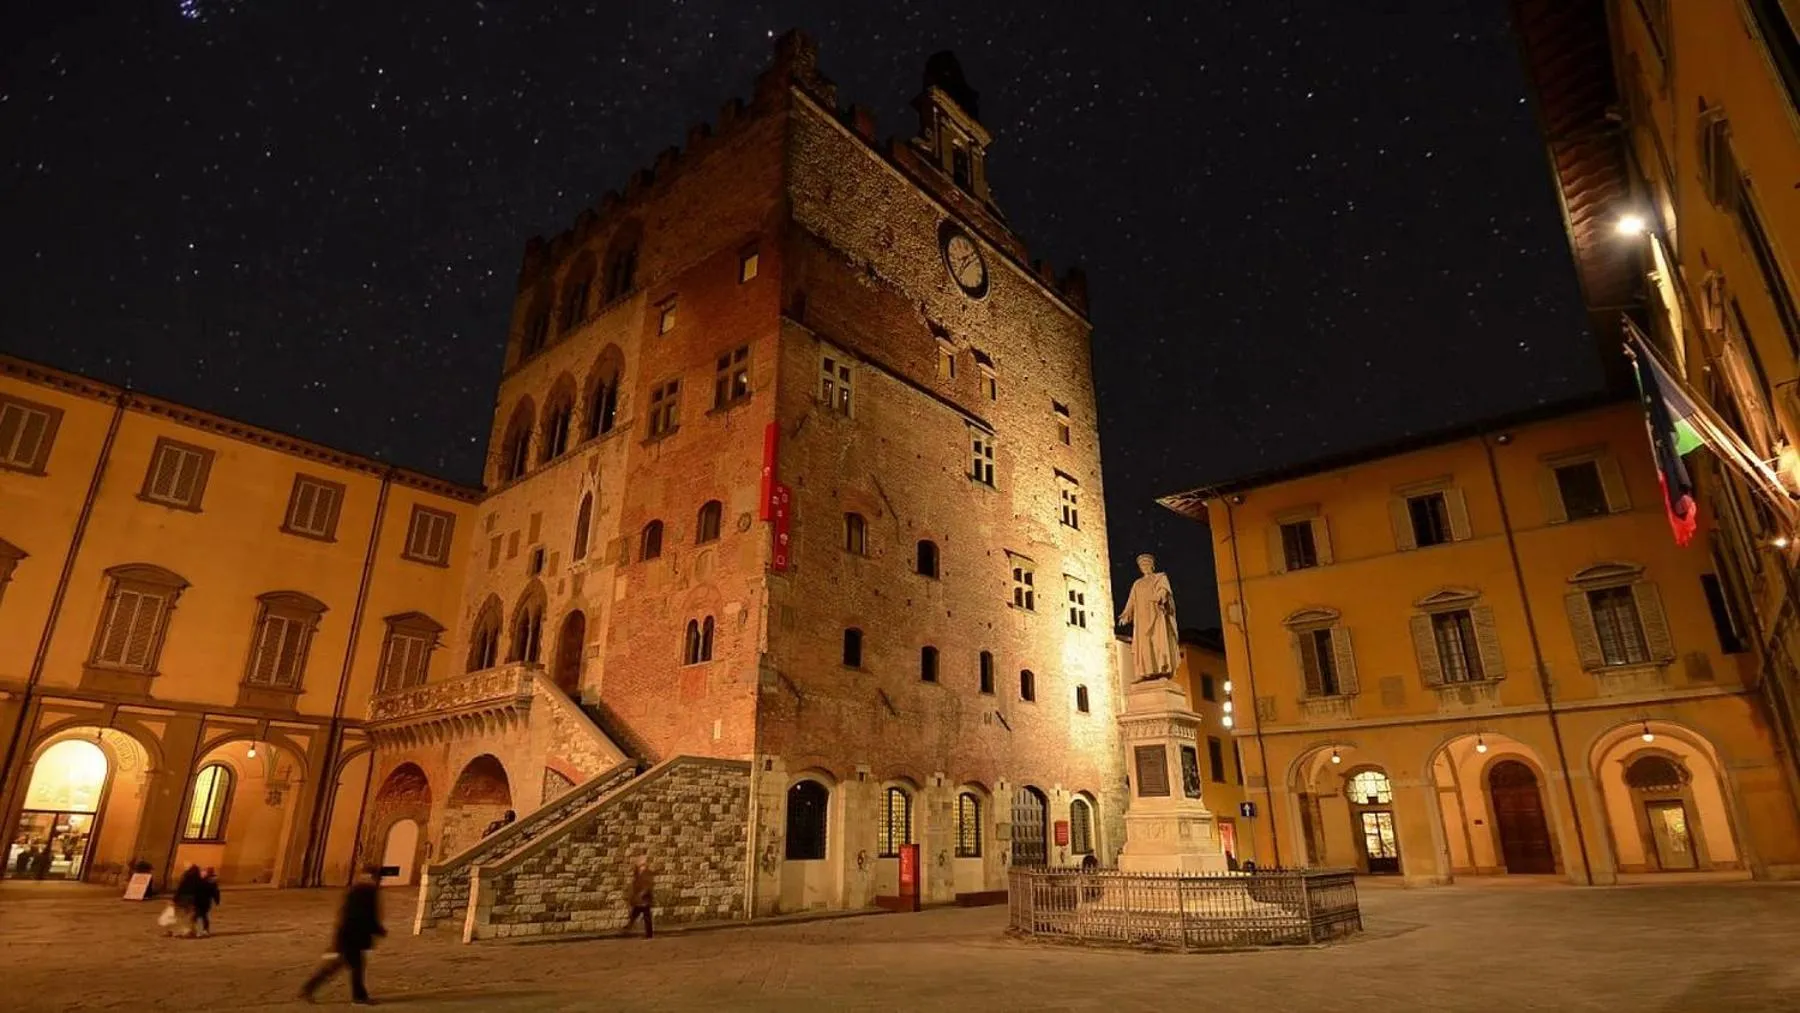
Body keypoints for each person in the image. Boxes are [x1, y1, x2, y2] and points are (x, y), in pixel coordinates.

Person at [300, 864, 386, 1005]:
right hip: (352, 936)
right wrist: (377, 929)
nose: (379, 881)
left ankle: (309, 988)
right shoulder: (366, 892)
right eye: (378, 878)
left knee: (341, 965)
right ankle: (358, 997)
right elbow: (363, 915)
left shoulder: (357, 890)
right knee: (352, 966)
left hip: (347, 935)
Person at [620, 856, 654, 939]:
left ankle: (648, 934)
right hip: (639, 899)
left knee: (645, 917)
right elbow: (635, 886)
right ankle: (628, 929)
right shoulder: (637, 873)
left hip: (644, 899)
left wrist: (643, 893)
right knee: (636, 914)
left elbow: (648, 885)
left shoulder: (646, 873)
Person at [171, 864, 205, 937]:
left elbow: (180, 889)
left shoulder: (185, 878)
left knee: (183, 915)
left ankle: (185, 931)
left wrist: (174, 899)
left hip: (183, 898)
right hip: (192, 899)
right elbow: (201, 891)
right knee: (191, 916)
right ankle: (190, 931)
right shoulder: (199, 879)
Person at [192, 867, 221, 937]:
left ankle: (203, 930)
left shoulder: (211, 882)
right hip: (199, 901)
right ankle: (197, 929)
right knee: (197, 915)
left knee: (201, 915)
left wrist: (217, 900)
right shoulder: (202, 880)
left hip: (204, 902)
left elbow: (215, 892)